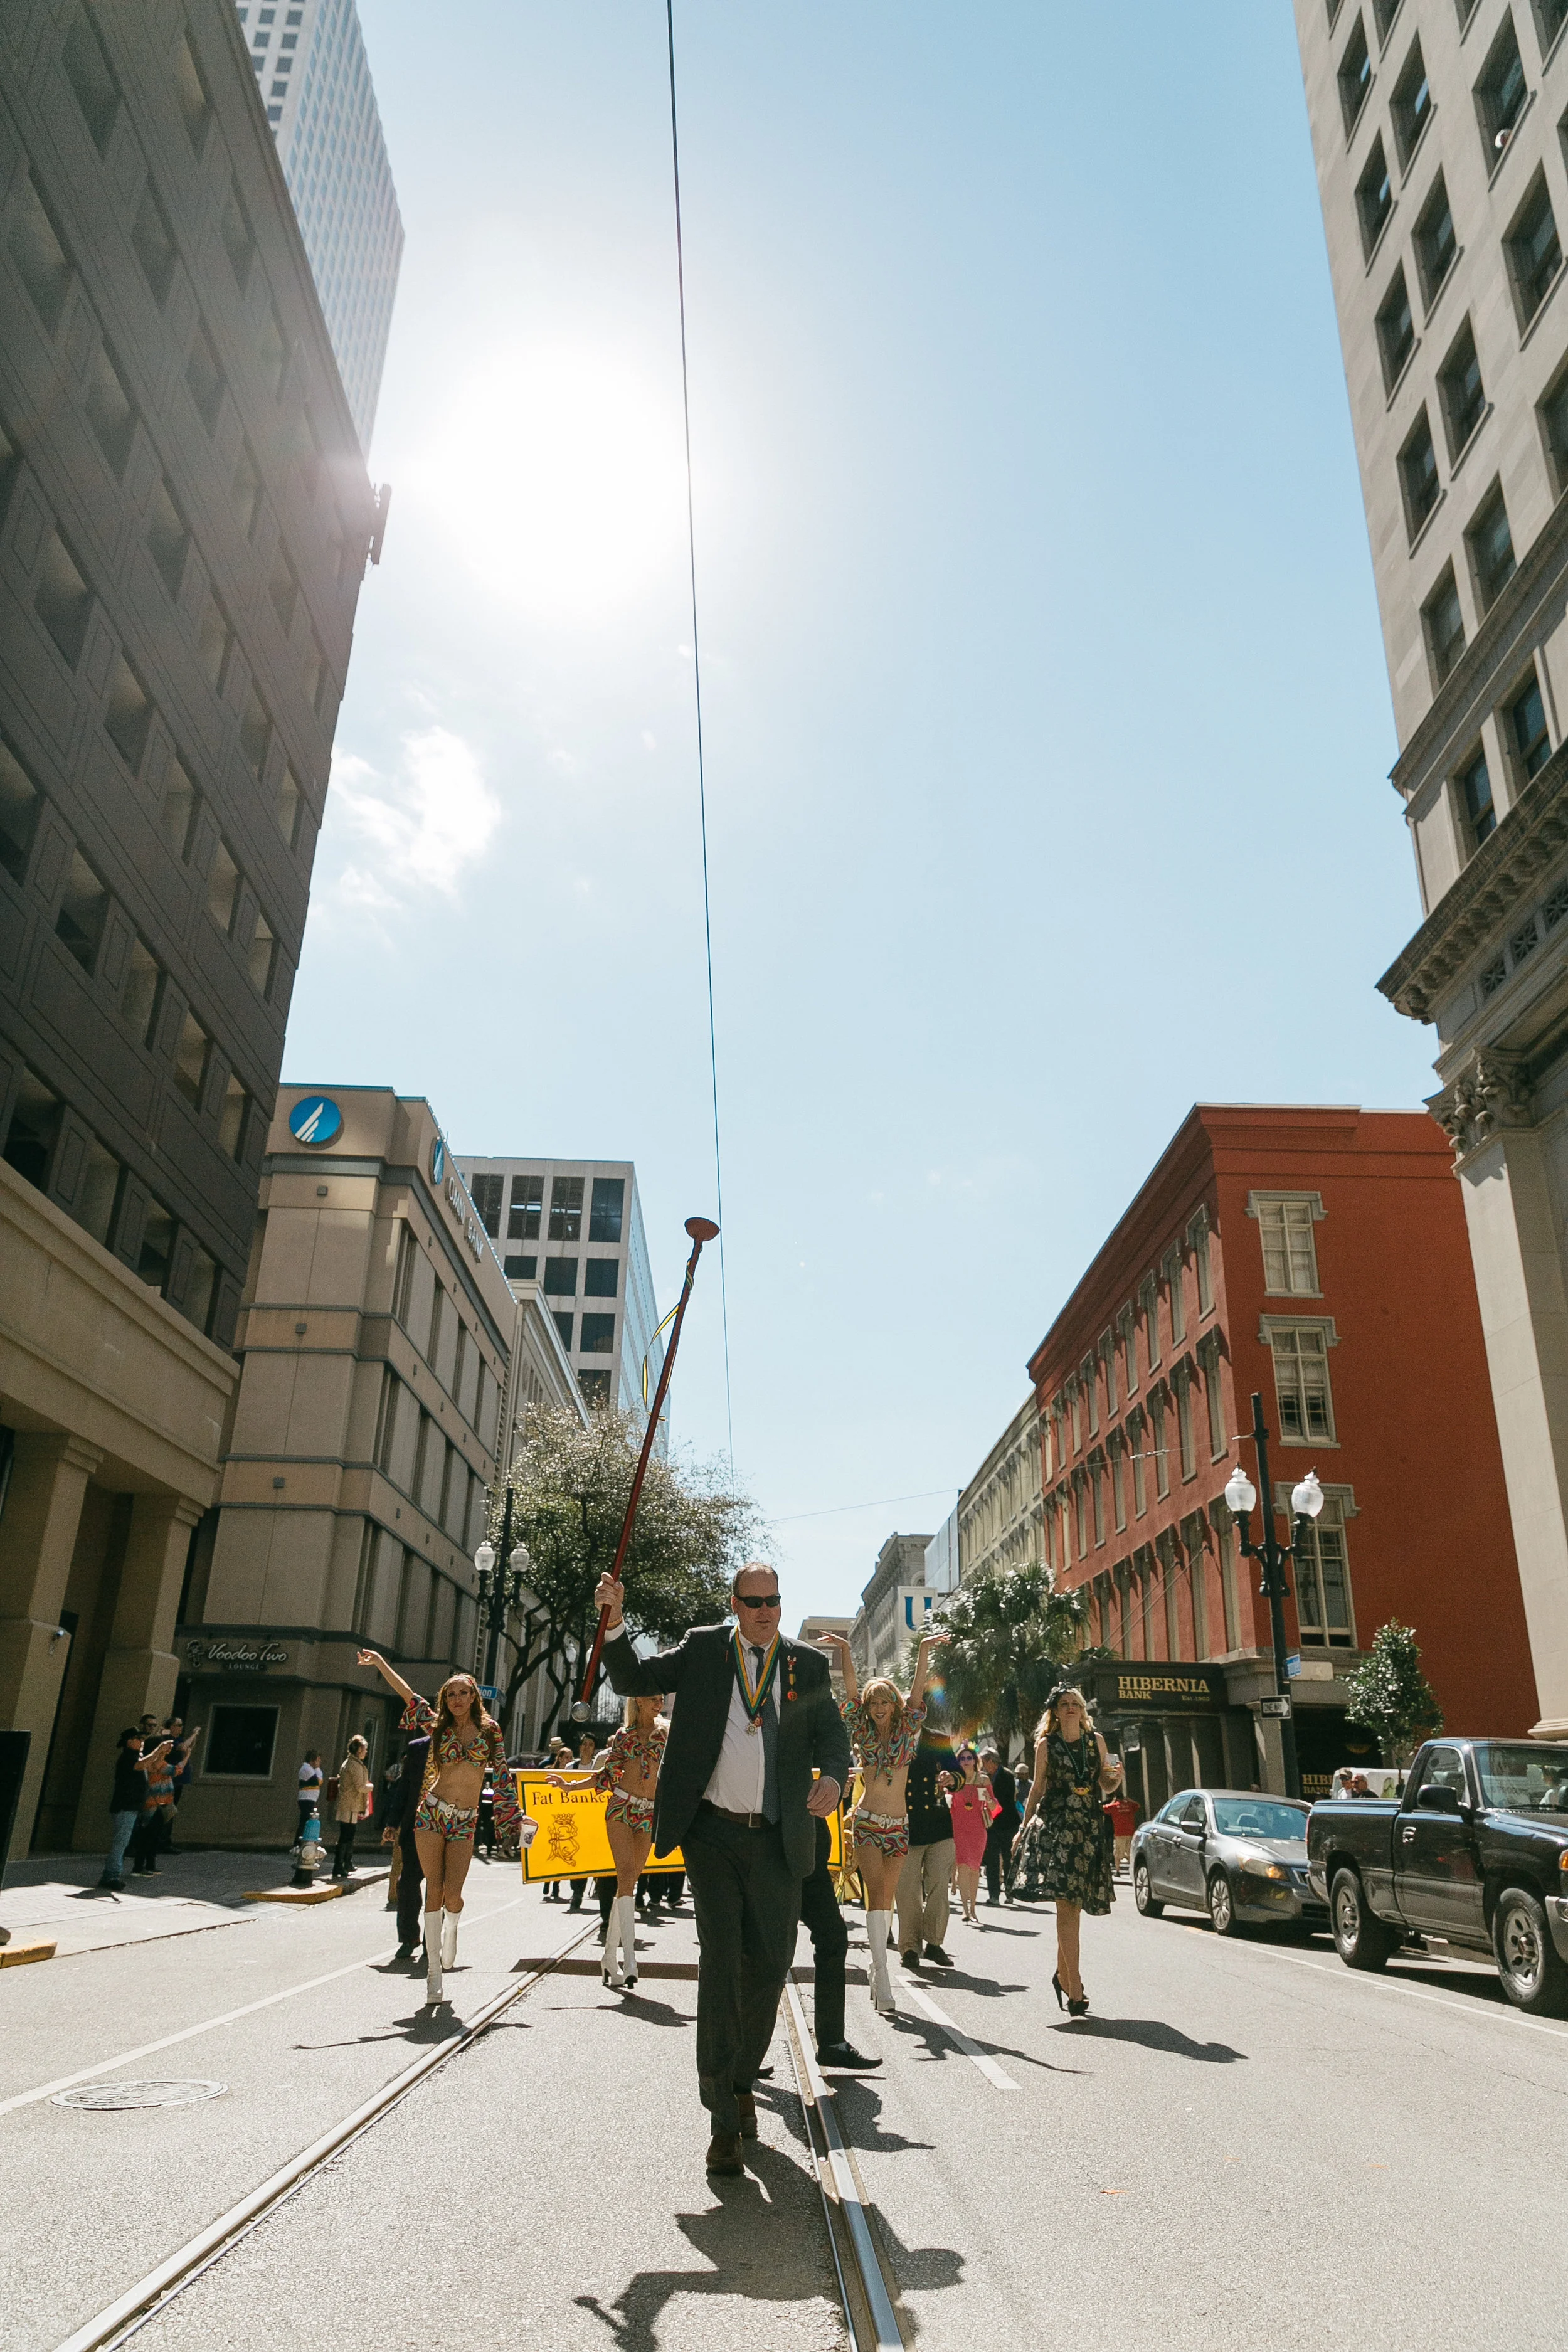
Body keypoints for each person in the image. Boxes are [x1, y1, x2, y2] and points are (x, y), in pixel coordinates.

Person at [595, 1560, 850, 2177]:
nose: (765, 1611)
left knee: (768, 1967)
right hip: (711, 1834)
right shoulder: (706, 1650)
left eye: (774, 1601)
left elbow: (832, 1739)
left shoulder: (806, 1666)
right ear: (734, 1604)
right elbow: (632, 1676)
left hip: (778, 1840)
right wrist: (614, 1619)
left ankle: (741, 2081)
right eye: (754, 1600)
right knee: (719, 1961)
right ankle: (721, 2116)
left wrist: (836, 1779)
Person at [357, 1651, 507, 2001]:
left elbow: (502, 1777)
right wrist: (380, 1663)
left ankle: (451, 1930)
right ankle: (434, 1974)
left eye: (463, 1693)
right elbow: (408, 1694)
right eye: (450, 1694)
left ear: (474, 1697)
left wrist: (513, 1817)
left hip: (465, 1821)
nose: (456, 1700)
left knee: (452, 1895)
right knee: (432, 1889)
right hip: (431, 1816)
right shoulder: (436, 1726)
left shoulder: (490, 1732)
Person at [815, 1628, 946, 2016]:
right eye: (874, 1702)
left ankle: (876, 1966)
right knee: (874, 1893)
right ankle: (883, 1972)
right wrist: (845, 1652)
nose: (878, 1706)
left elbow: (919, 1692)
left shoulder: (909, 1730)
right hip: (869, 1822)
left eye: (885, 1700)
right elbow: (852, 1694)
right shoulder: (862, 1730)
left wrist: (923, 1650)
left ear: (895, 1702)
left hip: (900, 1826)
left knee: (886, 1900)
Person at [1010, 1685, 1123, 2017]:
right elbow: (1037, 1787)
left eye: (1076, 1704)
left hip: (1088, 1828)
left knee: (1074, 1909)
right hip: (1057, 1828)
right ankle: (1076, 1990)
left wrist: (1117, 1776)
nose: (1071, 1708)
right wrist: (1022, 1827)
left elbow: (1108, 1783)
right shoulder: (1046, 1745)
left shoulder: (1098, 1742)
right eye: (1065, 1704)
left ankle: (1063, 1976)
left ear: (1083, 1710)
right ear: (1055, 1712)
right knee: (1066, 1907)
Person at [894, 1713, 958, 1978]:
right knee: (907, 1890)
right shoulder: (893, 1738)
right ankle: (909, 1948)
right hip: (904, 1823)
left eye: (917, 1710)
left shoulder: (938, 1740)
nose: (912, 1715)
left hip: (938, 1823)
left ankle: (934, 1943)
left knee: (939, 1886)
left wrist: (951, 1778)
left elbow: (957, 1775)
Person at [99, 1728, 171, 1891]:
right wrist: (159, 1750)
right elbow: (142, 1765)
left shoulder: (134, 1757)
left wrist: (160, 1753)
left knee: (123, 1842)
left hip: (131, 1807)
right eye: (138, 1738)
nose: (142, 1741)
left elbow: (149, 1765)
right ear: (130, 1741)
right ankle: (111, 1875)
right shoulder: (127, 1758)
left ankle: (111, 1874)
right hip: (125, 1807)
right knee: (121, 1842)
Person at [382, 1727, 432, 1961]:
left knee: (438, 1888)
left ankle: (432, 1943)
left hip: (446, 1829)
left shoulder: (461, 1747)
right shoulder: (418, 1748)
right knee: (407, 1883)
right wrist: (392, 1823)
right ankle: (409, 1937)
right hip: (415, 1826)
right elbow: (404, 1788)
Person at [129, 1719, 199, 1873]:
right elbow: (176, 1770)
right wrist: (186, 1756)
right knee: (150, 1836)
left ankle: (148, 1866)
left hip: (159, 1802)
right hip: (154, 1804)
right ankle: (141, 1866)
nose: (168, 1750)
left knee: (152, 1836)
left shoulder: (155, 1762)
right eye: (164, 1748)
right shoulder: (156, 1764)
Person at [946, 1747, 999, 1925]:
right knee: (963, 1867)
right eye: (962, 1758)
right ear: (958, 1761)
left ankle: (974, 1907)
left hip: (977, 1830)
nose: (966, 1761)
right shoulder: (954, 1780)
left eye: (970, 1758)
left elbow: (995, 1808)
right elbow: (946, 1802)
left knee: (975, 1868)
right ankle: (965, 1908)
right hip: (957, 1828)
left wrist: (988, 1799)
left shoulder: (983, 1780)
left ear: (976, 1761)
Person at [980, 1748, 1019, 1905]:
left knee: (1009, 1858)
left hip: (1007, 1823)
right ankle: (994, 1895)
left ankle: (1010, 1892)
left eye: (984, 1762)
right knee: (992, 1861)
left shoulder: (1007, 1775)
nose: (983, 1766)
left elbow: (1007, 1800)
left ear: (992, 1761)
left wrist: (991, 1800)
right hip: (992, 1825)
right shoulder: (984, 1778)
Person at [331, 1735, 371, 1880]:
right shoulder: (353, 1765)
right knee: (346, 1835)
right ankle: (339, 1865)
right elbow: (360, 1787)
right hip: (349, 1804)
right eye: (365, 1749)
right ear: (359, 1749)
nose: (366, 1752)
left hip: (351, 1804)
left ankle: (347, 1862)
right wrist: (370, 1787)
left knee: (350, 1834)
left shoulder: (354, 1763)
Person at [1106, 1788, 1139, 1876]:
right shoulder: (1130, 1805)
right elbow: (1138, 1806)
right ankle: (1133, 1870)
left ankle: (1118, 1871)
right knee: (1130, 1852)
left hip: (1120, 1833)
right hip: (1131, 1832)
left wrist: (1113, 1802)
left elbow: (1104, 1809)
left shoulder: (1114, 1806)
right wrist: (1130, 1800)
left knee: (1117, 1853)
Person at [296, 1751, 324, 1847]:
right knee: (304, 1822)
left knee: (306, 1821)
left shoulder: (310, 1769)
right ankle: (298, 1843)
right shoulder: (307, 1769)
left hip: (310, 1799)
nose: (319, 1763)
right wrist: (318, 1769)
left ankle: (301, 1843)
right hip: (306, 1799)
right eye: (318, 1761)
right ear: (312, 1761)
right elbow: (318, 1782)